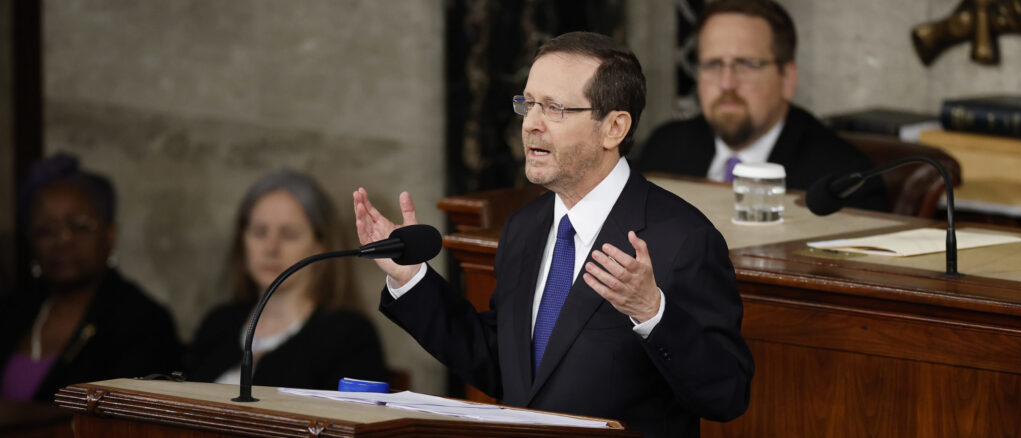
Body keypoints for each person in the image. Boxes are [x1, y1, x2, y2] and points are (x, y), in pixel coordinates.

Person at [353, 32, 752, 437]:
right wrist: (411, 281)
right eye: (528, 104)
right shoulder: (524, 228)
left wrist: (652, 312)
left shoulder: (682, 239)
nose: (531, 125)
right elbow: (505, 369)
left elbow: (726, 395)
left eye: (554, 109)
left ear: (613, 128)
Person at [636, 0, 886, 212]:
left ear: (787, 77)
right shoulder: (663, 151)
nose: (726, 84)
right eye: (712, 65)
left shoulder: (841, 178)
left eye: (745, 64)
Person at [0, 154, 181, 402]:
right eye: (46, 230)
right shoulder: (12, 309)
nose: (63, 241)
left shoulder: (143, 321)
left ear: (110, 234)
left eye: (79, 226)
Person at [189, 170, 387, 390]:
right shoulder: (218, 323)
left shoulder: (349, 336)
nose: (271, 248)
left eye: (289, 234)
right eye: (259, 232)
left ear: (320, 245)